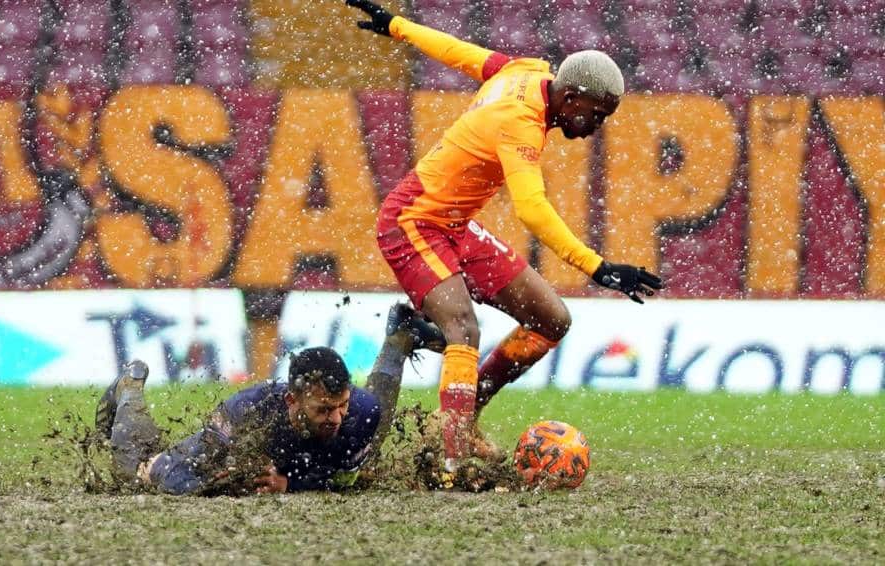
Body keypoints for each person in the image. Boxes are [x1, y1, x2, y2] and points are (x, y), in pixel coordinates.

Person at [345, 0, 664, 471]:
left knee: (552, 320)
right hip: (413, 221)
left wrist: (398, 26)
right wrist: (598, 267)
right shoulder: (522, 124)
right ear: (571, 96)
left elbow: (460, 52)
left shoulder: (525, 71)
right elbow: (532, 210)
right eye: (596, 114)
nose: (596, 126)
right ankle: (452, 462)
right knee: (463, 328)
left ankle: (465, 412)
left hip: (453, 224)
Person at [94, 303, 444, 495]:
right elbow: (184, 478)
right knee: (140, 472)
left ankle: (399, 339)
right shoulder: (246, 414)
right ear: (292, 400)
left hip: (308, 454)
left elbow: (342, 481)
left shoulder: (361, 411)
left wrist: (290, 484)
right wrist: (225, 482)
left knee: (368, 438)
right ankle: (129, 388)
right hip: (214, 447)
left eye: (341, 405)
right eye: (323, 409)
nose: (336, 417)